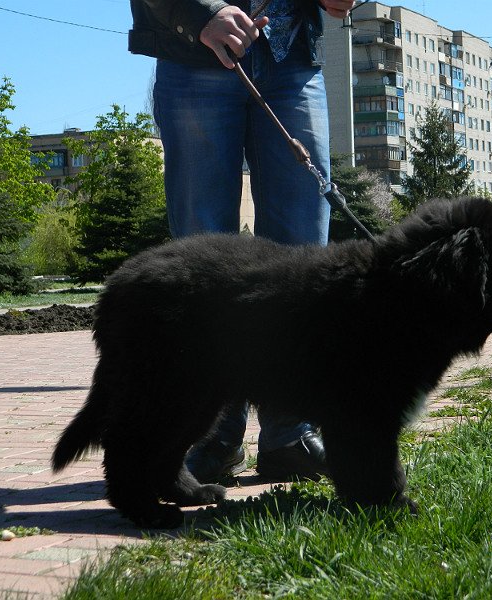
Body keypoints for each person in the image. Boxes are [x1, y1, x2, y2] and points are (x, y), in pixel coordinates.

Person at [128, 0, 355, 482]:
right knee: (203, 259)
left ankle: (289, 435)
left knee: (302, 257)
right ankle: (212, 436)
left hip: (292, 61)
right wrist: (200, 11)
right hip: (194, 56)